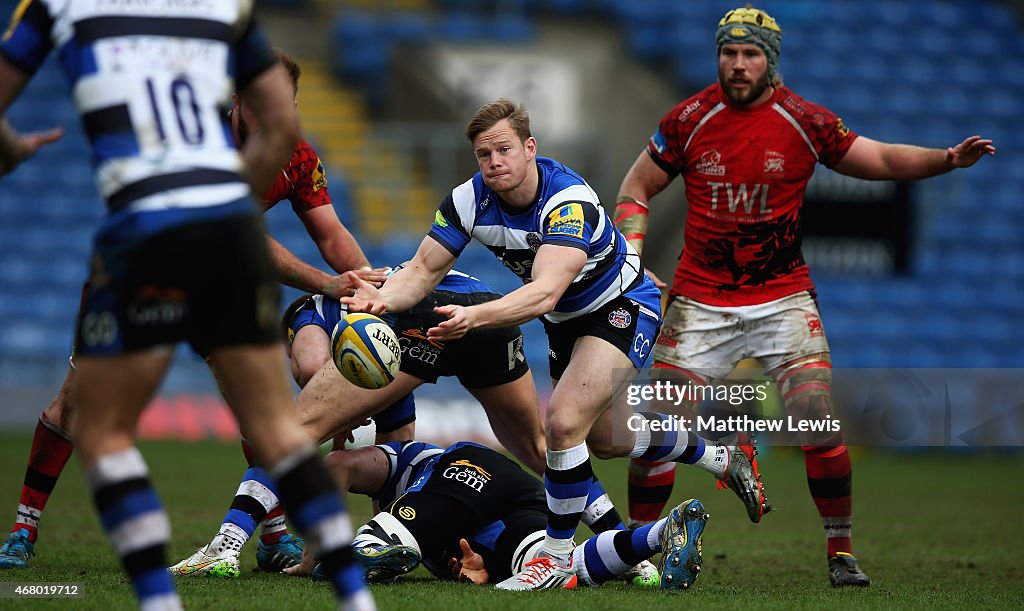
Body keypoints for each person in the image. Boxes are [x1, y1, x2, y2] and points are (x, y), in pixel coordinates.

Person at [0, 3, 374, 610]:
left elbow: (330, 233)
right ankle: (24, 527)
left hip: (148, 240)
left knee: (141, 429)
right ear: (237, 98)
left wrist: (363, 283)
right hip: (213, 247)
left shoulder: (64, 8)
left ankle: (240, 554)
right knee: (85, 405)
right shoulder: (225, 16)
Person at [613, 5, 996, 589]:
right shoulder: (688, 118)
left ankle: (840, 550)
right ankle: (638, 552)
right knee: (658, 430)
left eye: (750, 54)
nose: (737, 65)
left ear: (771, 60)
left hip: (781, 299)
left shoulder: (803, 120)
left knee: (816, 419)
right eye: (729, 52)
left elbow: (883, 159)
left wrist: (946, 160)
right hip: (698, 302)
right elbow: (637, 187)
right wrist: (635, 259)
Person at [342, 98, 768, 591]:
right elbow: (421, 271)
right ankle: (721, 456)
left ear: (529, 148)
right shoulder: (467, 200)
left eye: (503, 149)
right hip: (570, 321)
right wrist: (380, 300)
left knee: (563, 422)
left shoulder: (568, 203)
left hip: (622, 305)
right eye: (483, 154)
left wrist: (473, 318)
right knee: (603, 440)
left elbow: (544, 293)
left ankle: (556, 560)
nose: (494, 162)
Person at [170, 269, 658, 585]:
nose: (310, 377)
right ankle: (628, 549)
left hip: (419, 320)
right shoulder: (378, 290)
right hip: (483, 313)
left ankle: (227, 546)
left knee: (284, 433)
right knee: (541, 447)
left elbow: (311, 377)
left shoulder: (307, 317)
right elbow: (396, 450)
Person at [289, 439, 710, 591]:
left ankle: (362, 548)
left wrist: (313, 553)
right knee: (557, 567)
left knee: (381, 539)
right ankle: (659, 535)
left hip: (465, 470)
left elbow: (338, 464)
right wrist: (480, 566)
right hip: (513, 504)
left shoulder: (400, 460)